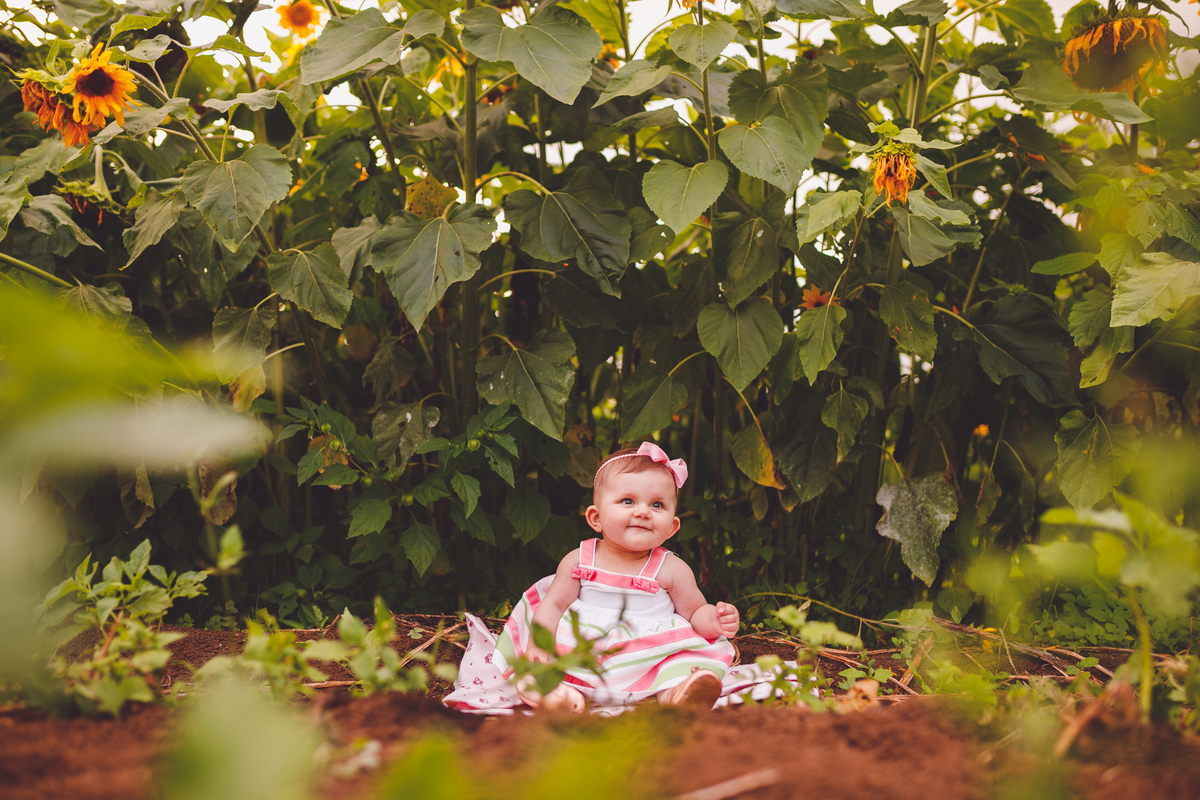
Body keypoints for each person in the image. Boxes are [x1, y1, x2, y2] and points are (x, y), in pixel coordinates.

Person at [492, 442, 739, 712]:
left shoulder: (672, 569)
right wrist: (538, 647)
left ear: (672, 527)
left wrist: (714, 620)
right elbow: (553, 606)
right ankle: (562, 696)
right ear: (596, 518)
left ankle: (675, 696)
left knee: (676, 667)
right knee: (541, 672)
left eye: (657, 504)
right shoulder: (578, 560)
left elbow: (694, 613)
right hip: (582, 650)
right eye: (627, 501)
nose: (642, 512)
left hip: (649, 654)